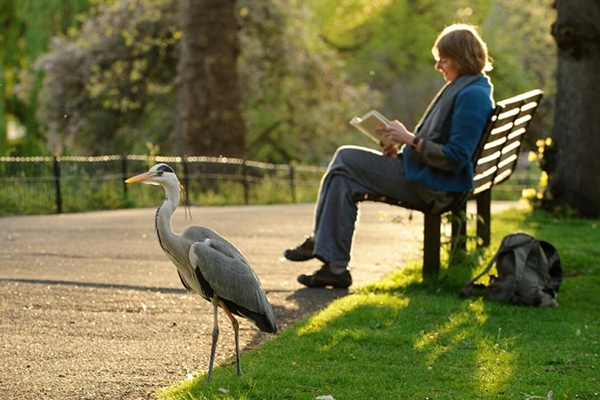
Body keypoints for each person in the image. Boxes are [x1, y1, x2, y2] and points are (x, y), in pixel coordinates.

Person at [284, 24, 495, 288]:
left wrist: (410, 139)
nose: (438, 66)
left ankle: (323, 244)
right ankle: (334, 267)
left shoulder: (472, 95)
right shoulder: (466, 86)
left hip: (435, 186)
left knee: (345, 159)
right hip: (425, 174)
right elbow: (441, 145)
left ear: (462, 58)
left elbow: (455, 157)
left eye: (444, 59)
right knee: (343, 177)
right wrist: (401, 148)